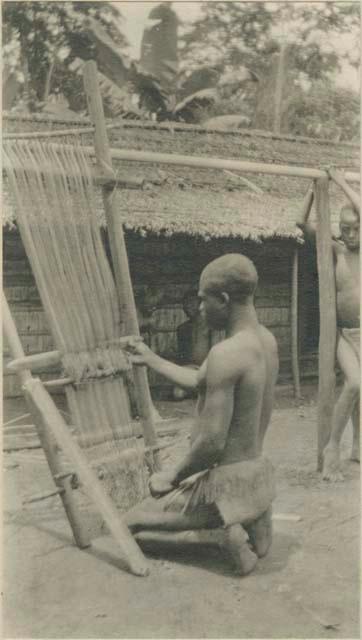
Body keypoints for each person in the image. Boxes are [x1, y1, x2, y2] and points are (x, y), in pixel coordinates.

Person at [123, 254, 279, 575]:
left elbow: (211, 443)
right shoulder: (265, 341)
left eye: (203, 301)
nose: (200, 309)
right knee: (156, 515)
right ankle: (255, 518)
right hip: (256, 476)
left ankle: (221, 536)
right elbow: (199, 381)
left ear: (222, 299)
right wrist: (151, 358)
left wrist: (171, 477)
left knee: (129, 525)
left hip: (223, 487)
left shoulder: (225, 354)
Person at [297, 169, 360, 481]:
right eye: (344, 228)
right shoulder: (336, 250)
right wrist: (315, 187)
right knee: (355, 384)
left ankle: (358, 448)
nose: (350, 233)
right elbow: (300, 223)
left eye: (355, 227)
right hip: (346, 336)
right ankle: (332, 446)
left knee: (361, 393)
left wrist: (341, 182)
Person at [172, 289, 212, 400]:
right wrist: (181, 370)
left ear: (200, 305)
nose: (186, 306)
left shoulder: (212, 327)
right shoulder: (182, 329)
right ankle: (197, 390)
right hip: (189, 370)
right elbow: (182, 356)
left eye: (191, 303)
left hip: (209, 370)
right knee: (177, 394)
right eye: (185, 304)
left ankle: (200, 389)